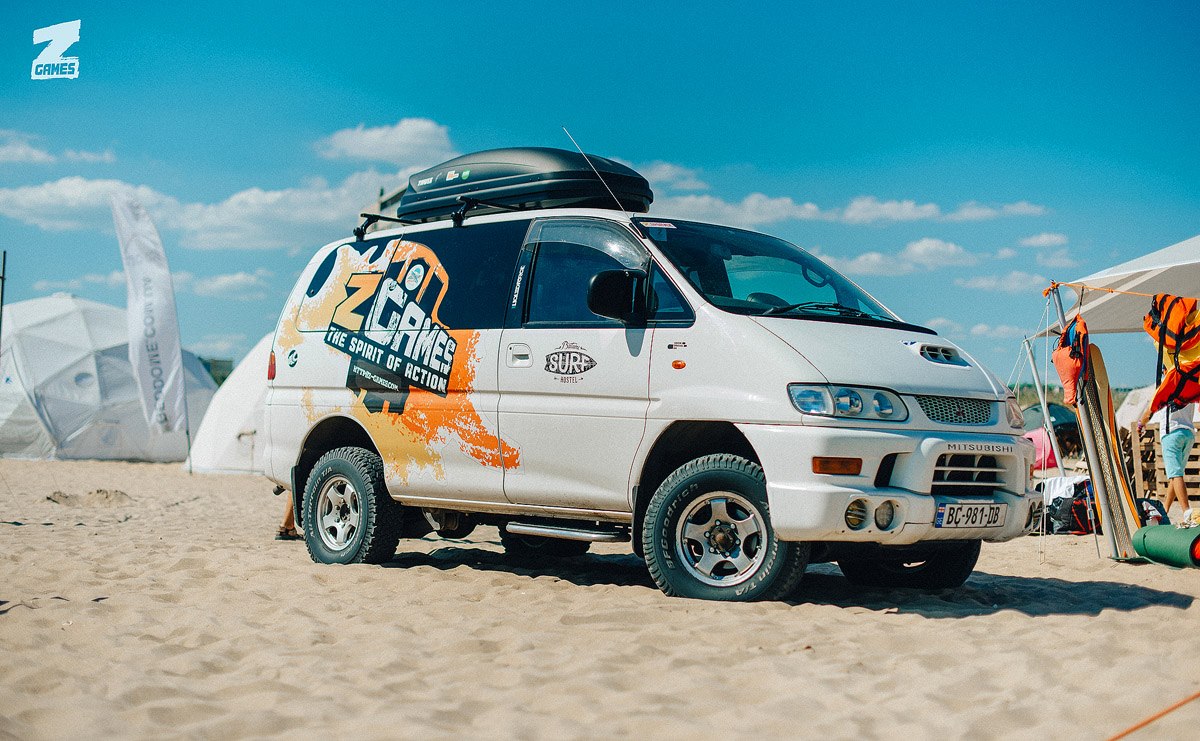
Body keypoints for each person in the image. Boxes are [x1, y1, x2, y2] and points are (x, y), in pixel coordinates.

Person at [1138, 401, 1197, 526]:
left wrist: (1140, 425)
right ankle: (1165, 510)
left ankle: (1187, 512)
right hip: (1188, 433)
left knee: (1175, 475)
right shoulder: (1189, 384)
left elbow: (1152, 407)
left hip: (1171, 433)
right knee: (1176, 476)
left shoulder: (1167, 385)